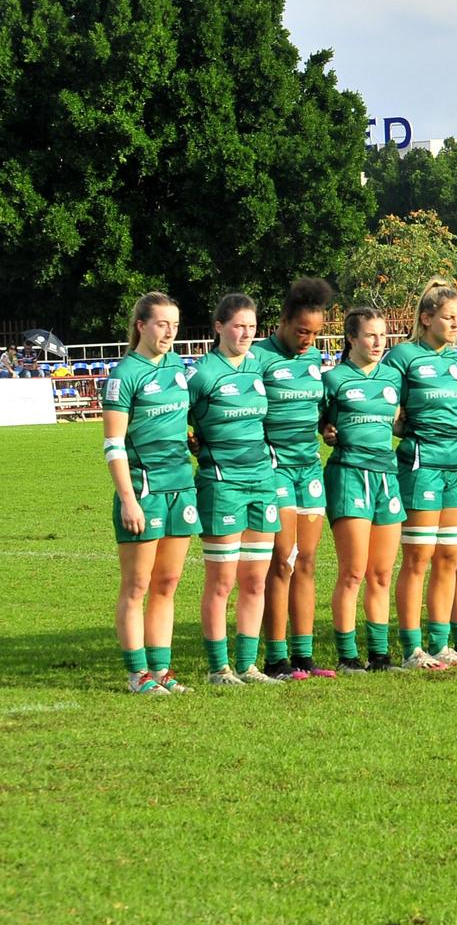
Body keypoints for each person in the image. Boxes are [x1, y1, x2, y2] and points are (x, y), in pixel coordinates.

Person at [105, 292, 194, 694]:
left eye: (174, 325)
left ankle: (161, 671)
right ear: (141, 325)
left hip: (181, 487)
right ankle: (136, 673)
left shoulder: (177, 366)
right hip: (144, 490)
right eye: (162, 324)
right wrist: (127, 498)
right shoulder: (125, 375)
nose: (169, 333)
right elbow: (113, 445)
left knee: (168, 582)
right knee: (137, 585)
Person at [188, 294, 280, 685]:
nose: (246, 333)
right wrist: (191, 438)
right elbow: (177, 419)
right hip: (222, 485)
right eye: (239, 326)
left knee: (256, 580)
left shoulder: (260, 367)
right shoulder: (203, 373)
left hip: (262, 482)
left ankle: (247, 665)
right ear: (219, 327)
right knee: (222, 581)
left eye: (252, 327)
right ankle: (218, 668)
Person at [385, 280, 457, 669]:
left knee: (449, 557)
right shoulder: (403, 356)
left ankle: (440, 645)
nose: (456, 324)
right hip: (421, 467)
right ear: (426, 318)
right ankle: (412, 649)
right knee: (418, 558)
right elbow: (385, 406)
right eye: (448, 318)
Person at [254, 277, 335, 679]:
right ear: (283, 321)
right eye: (302, 331)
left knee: (307, 561)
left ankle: (304, 656)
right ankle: (276, 658)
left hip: (309, 468)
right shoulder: (258, 358)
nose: (308, 340)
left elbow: (318, 409)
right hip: (274, 467)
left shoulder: (311, 361)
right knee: (282, 561)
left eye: (315, 333)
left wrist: (326, 428)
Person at [320, 306, 405, 672]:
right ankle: (347, 655)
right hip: (350, 475)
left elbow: (400, 422)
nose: (377, 342)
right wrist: (326, 432)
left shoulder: (391, 379)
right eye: (369, 335)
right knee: (353, 571)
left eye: (382, 335)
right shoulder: (333, 379)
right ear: (351, 338)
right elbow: (320, 424)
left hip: (387, 476)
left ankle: (380, 653)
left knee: (382, 573)